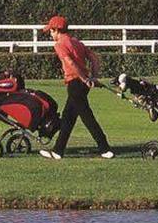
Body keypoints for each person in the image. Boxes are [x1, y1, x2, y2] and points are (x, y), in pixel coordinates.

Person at [40, 14, 113, 160]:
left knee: (87, 116)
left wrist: (85, 78)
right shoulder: (76, 42)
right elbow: (94, 58)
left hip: (75, 83)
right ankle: (57, 151)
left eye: (51, 31)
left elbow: (70, 64)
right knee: (68, 118)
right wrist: (93, 76)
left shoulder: (60, 44)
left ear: (56, 30)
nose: (50, 33)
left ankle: (105, 148)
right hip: (82, 83)